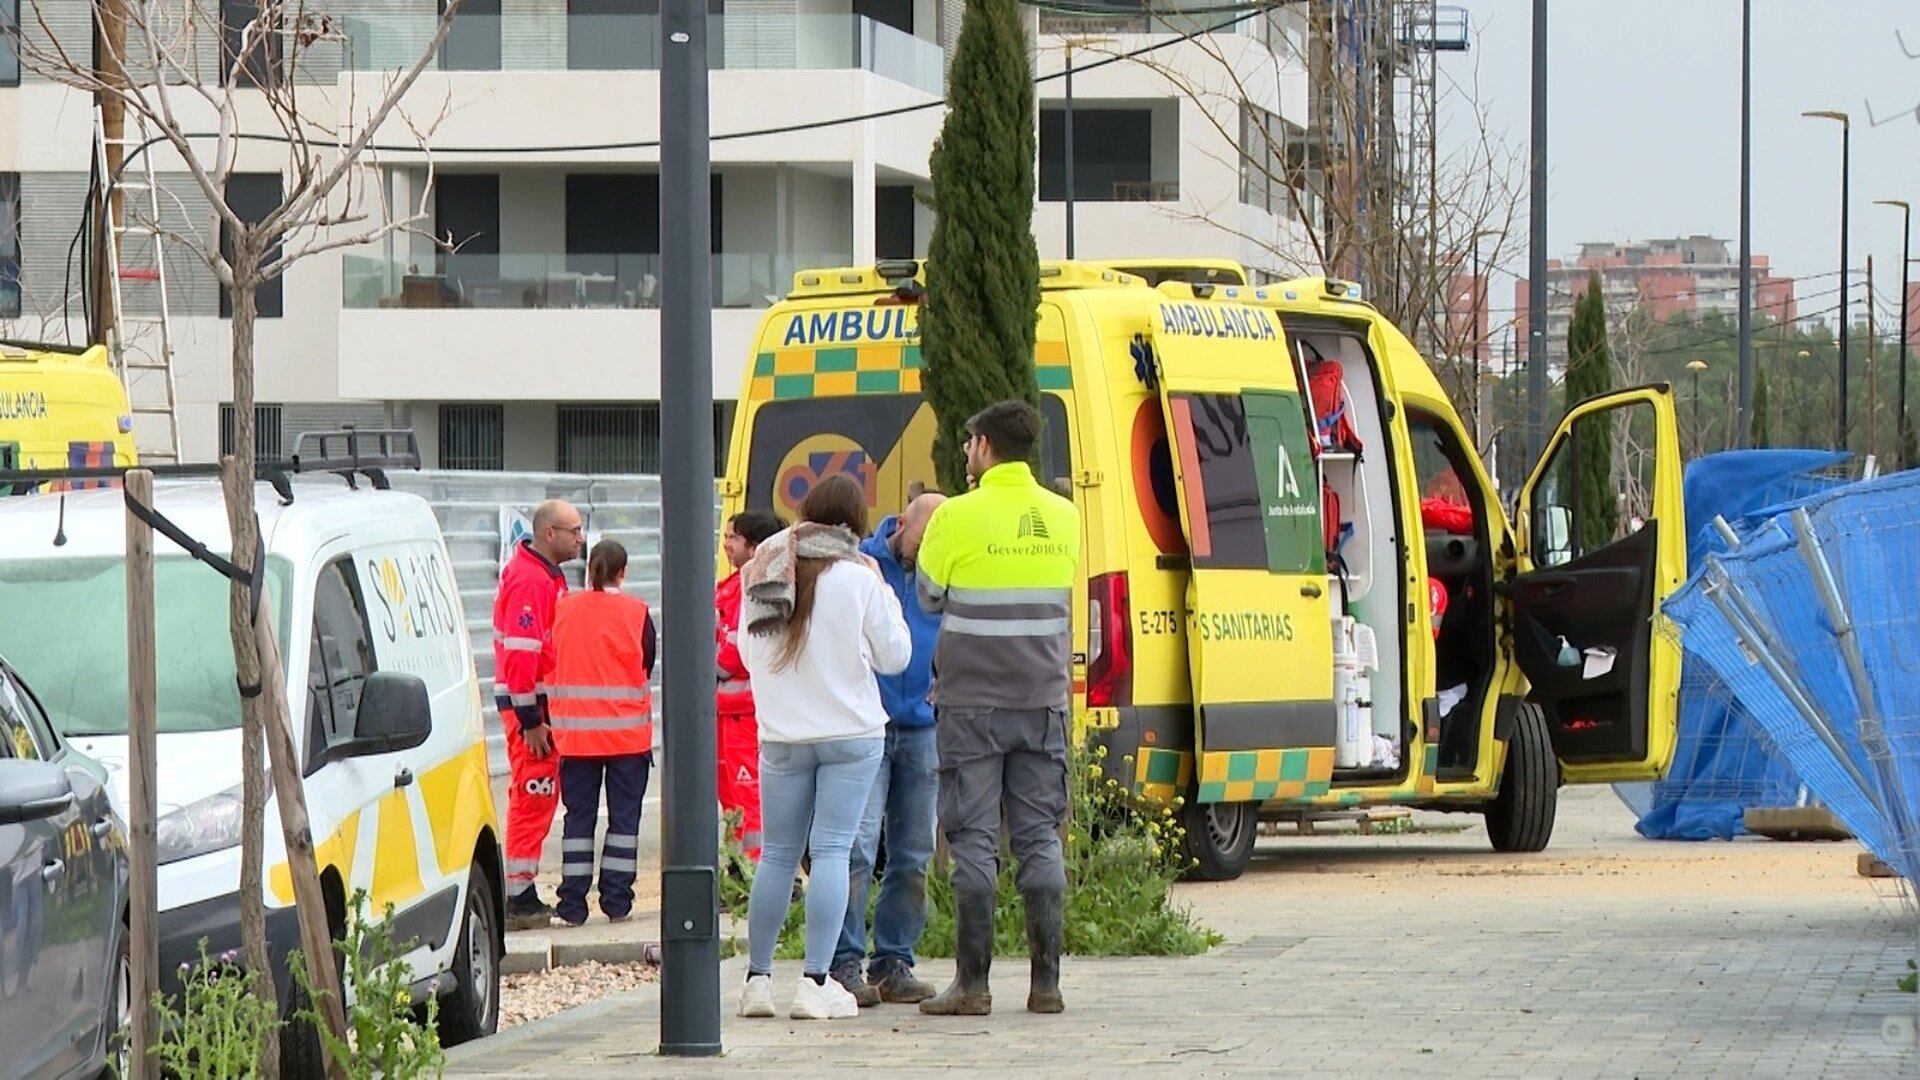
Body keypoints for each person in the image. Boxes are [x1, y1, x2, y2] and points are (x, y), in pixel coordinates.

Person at [915, 400, 1080, 1017]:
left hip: (971, 708)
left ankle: (973, 984)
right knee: (1039, 839)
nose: (965, 453)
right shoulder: (1063, 516)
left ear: (984, 445)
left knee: (974, 841)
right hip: (1042, 704)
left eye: (968, 444)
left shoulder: (955, 516)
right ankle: (1046, 985)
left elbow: (928, 597)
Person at [737, 475, 912, 1022]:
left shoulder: (764, 567)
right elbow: (896, 657)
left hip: (782, 735)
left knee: (778, 856)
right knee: (832, 851)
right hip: (851, 735)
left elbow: (746, 653)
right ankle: (815, 982)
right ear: (855, 523)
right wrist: (883, 590)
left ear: (806, 512)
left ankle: (757, 981)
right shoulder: (860, 576)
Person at [831, 491, 947, 1007]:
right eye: (924, 537)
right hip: (867, 725)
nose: (929, 549)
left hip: (923, 727)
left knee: (914, 852)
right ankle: (844, 962)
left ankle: (894, 961)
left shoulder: (944, 571)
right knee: (856, 847)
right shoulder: (861, 565)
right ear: (900, 523)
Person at [547, 540, 657, 926]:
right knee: (624, 822)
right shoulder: (637, 612)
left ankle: (572, 905)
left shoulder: (563, 608)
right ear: (622, 572)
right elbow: (647, 663)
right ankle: (617, 902)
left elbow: (550, 657)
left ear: (589, 566)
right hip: (627, 737)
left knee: (578, 821)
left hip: (576, 738)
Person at [493, 499, 585, 929]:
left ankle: (520, 891)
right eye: (574, 531)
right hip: (531, 709)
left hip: (538, 705)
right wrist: (530, 720)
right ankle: (519, 897)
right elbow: (521, 655)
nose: (581, 539)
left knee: (538, 794)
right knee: (534, 794)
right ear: (551, 533)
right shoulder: (532, 580)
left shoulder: (544, 574)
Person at [715, 510, 785, 860]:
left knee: (749, 794)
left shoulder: (755, 588)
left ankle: (756, 868)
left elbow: (733, 652)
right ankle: (739, 866)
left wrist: (707, 670)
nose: (726, 544)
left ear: (755, 546)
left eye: (733, 538)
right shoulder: (733, 585)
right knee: (732, 797)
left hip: (745, 713)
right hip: (729, 712)